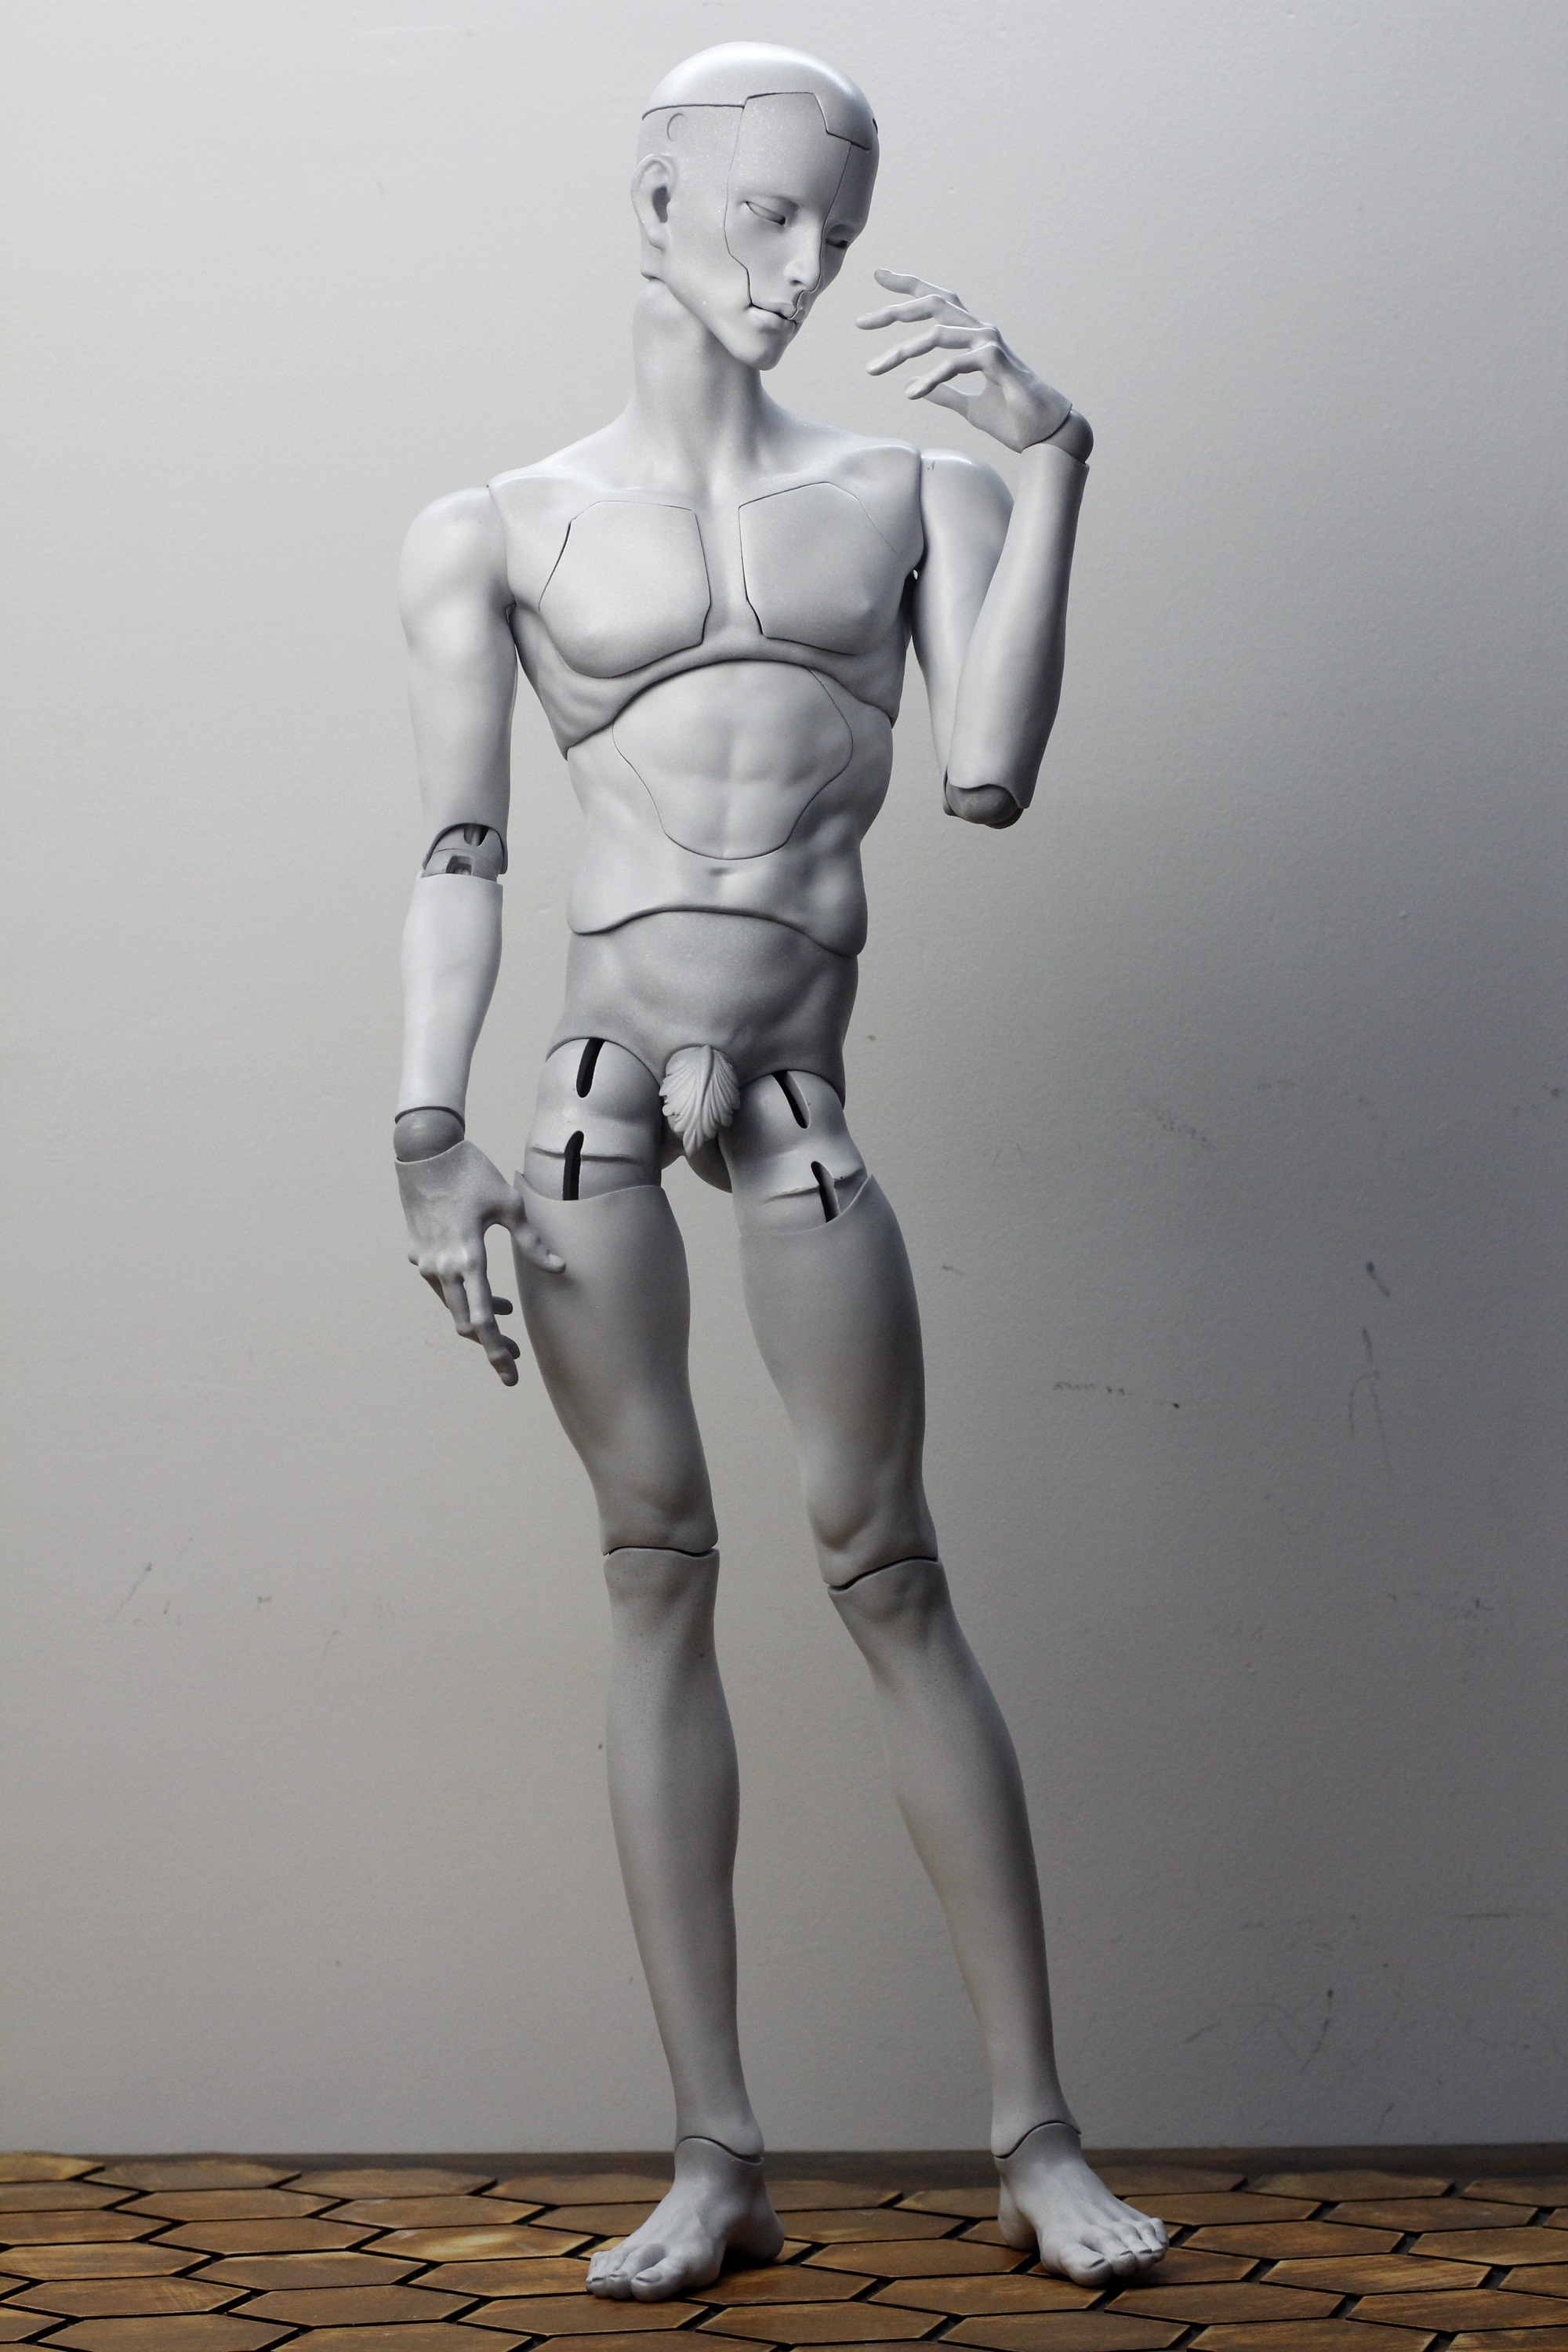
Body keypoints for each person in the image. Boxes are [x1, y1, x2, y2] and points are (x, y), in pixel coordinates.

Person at [394, 40, 1166, 2300]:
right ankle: (713, 2152)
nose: (803, 264)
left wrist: (1061, 461)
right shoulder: (497, 525)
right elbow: (460, 850)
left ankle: (1035, 2136)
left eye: (837, 223)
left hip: (798, 1104)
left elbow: (990, 772)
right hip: (588, 1099)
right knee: (656, 1566)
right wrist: (424, 1131)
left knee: (888, 1567)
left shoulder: (922, 490)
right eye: (761, 212)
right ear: (654, 205)